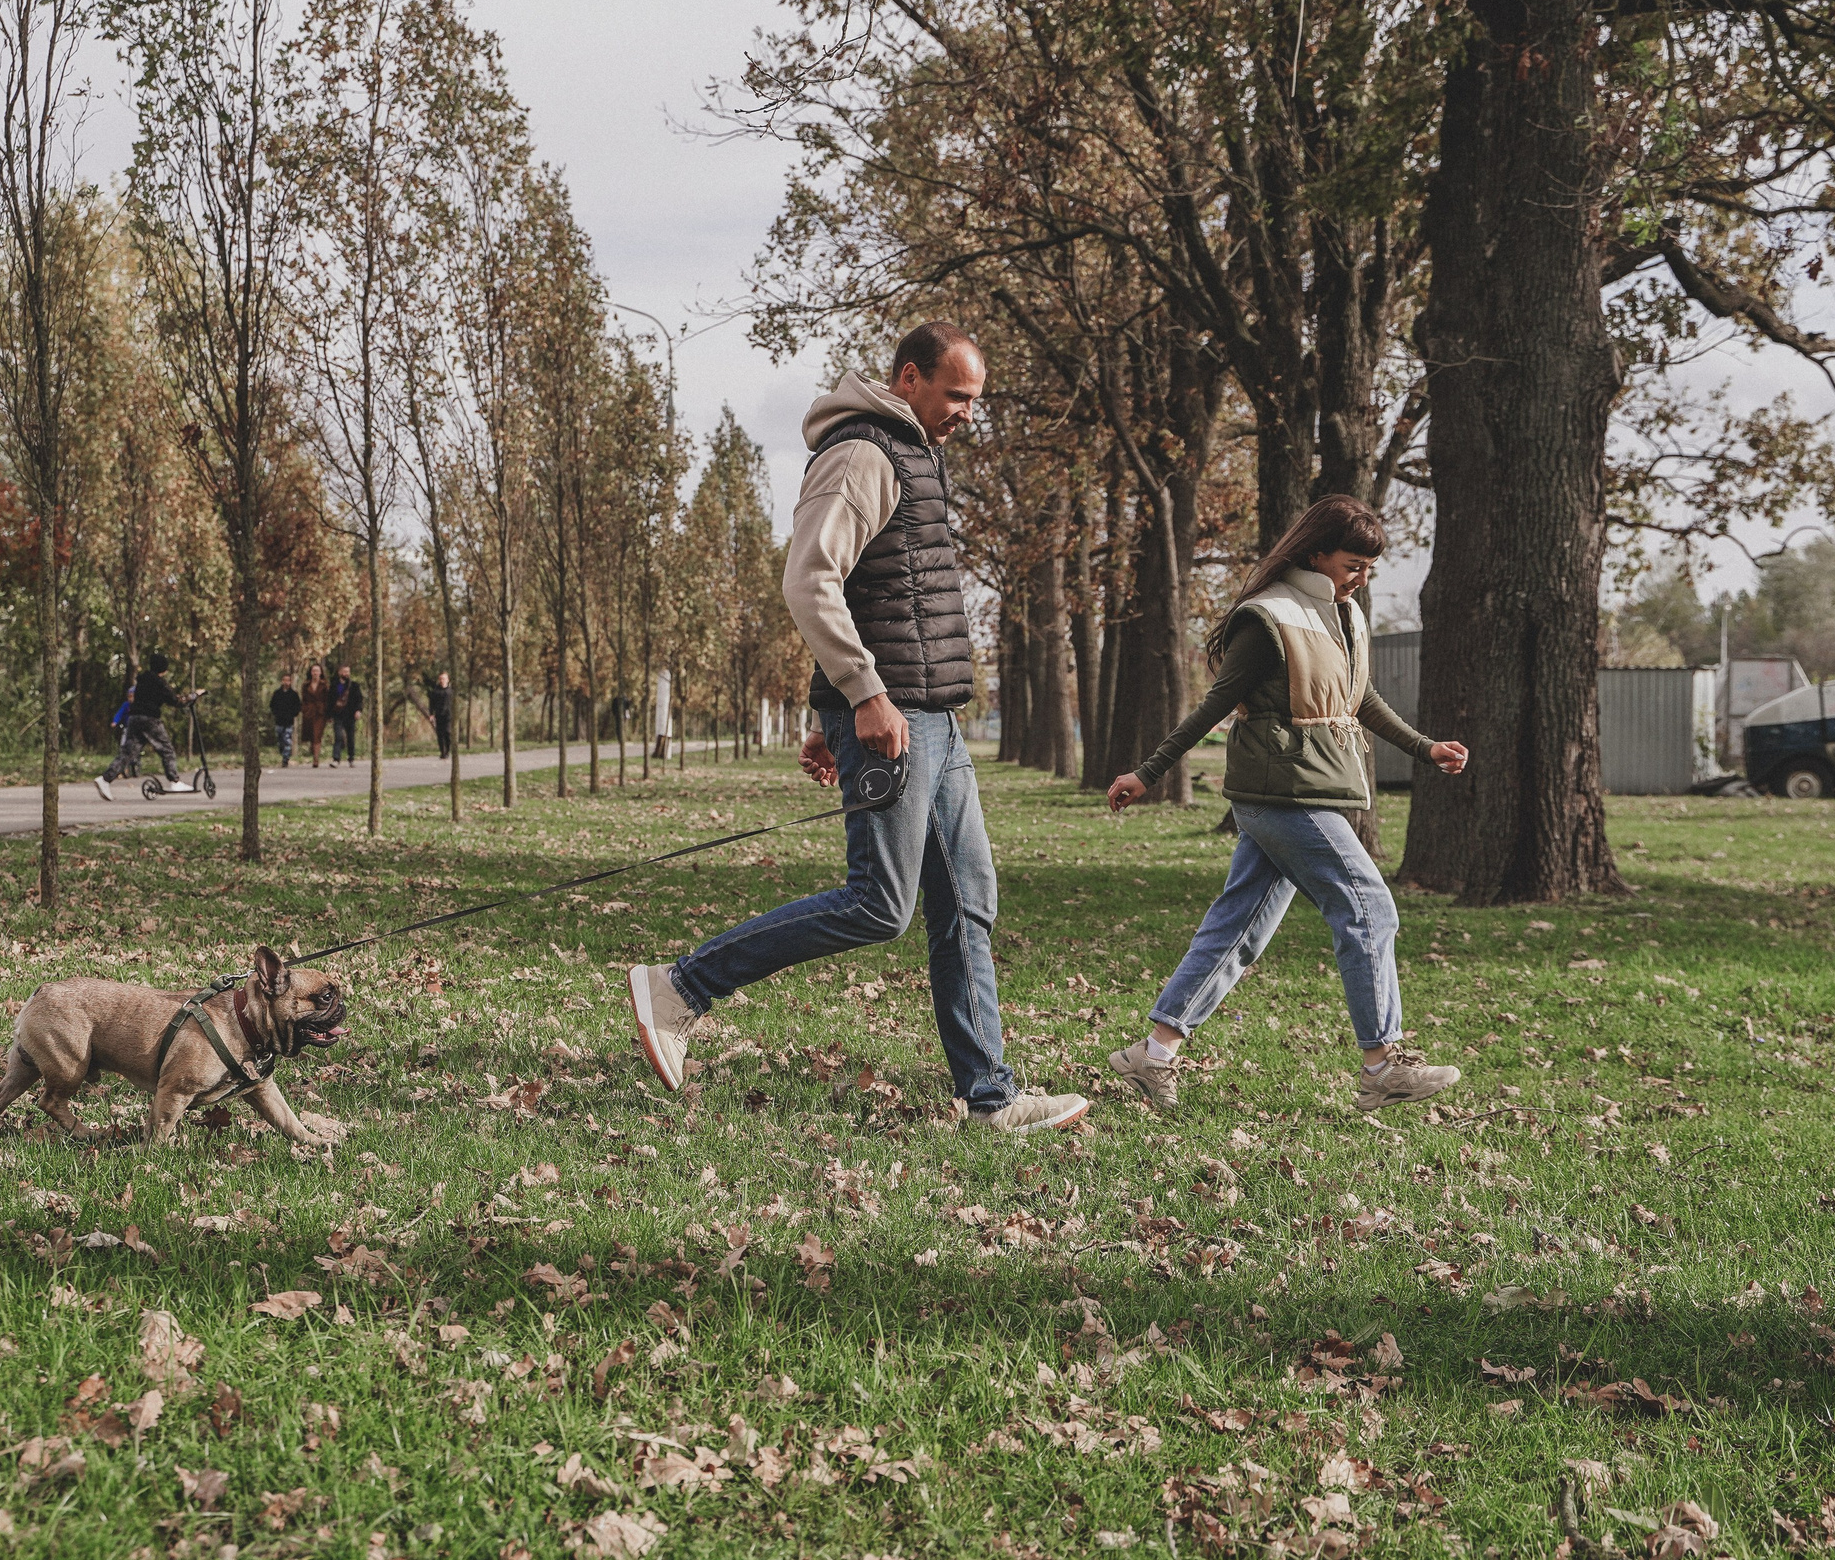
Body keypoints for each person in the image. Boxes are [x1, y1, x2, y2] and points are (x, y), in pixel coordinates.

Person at [625, 321, 1087, 1135]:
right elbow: (810, 579)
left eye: (977, 400)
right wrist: (859, 695)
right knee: (880, 905)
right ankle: (680, 987)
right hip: (896, 713)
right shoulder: (863, 453)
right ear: (909, 378)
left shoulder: (915, 453)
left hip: (930, 717)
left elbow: (881, 591)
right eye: (958, 396)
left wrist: (827, 710)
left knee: (966, 903)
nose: (969, 414)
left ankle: (989, 1097)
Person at [1102, 495, 1471, 1116]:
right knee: (1368, 908)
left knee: (1238, 928)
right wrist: (1148, 773)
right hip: (1284, 793)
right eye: (1352, 564)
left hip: (1309, 788)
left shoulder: (1342, 615)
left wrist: (1425, 747)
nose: (1362, 577)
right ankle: (1381, 1065)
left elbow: (1360, 697)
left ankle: (1155, 1054)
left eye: (1368, 566)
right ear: (1316, 552)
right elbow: (1213, 705)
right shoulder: (1267, 617)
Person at [96, 652, 198, 798]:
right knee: (167, 749)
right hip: (150, 720)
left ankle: (105, 779)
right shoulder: (159, 683)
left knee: (128, 752)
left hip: (134, 719)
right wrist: (194, 696)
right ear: (163, 668)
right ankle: (175, 781)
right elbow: (176, 701)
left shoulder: (141, 682)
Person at [331, 666, 362, 766]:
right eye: (344, 671)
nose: (346, 673)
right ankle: (336, 759)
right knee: (338, 736)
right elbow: (330, 700)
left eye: (348, 671)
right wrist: (329, 715)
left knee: (351, 737)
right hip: (338, 714)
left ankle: (351, 758)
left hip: (350, 715)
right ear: (339, 672)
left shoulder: (354, 685)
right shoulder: (334, 685)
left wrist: (358, 711)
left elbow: (359, 699)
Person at [270, 674, 302, 763]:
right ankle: (282, 752)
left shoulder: (294, 694)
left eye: (288, 680)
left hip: (289, 721)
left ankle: (286, 758)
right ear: (282, 681)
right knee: (280, 740)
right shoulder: (277, 693)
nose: (286, 682)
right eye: (284, 680)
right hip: (279, 720)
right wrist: (276, 713)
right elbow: (272, 705)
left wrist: (293, 714)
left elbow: (298, 706)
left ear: (290, 682)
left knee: (287, 739)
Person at [299, 664, 327, 767]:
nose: (315, 673)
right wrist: (304, 709)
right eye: (313, 671)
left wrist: (327, 713)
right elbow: (303, 699)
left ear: (320, 672)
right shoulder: (306, 685)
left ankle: (316, 759)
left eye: (317, 671)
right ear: (311, 672)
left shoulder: (325, 685)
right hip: (309, 712)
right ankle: (313, 753)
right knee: (310, 735)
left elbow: (327, 699)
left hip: (320, 713)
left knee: (317, 735)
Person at [428, 671, 454, 760]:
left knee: (448, 733)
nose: (442, 680)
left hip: (449, 716)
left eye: (444, 679)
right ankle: (442, 752)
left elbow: (454, 704)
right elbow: (431, 703)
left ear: (447, 680)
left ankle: (447, 750)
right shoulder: (435, 691)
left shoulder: (451, 692)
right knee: (440, 734)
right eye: (441, 679)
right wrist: (431, 714)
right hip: (439, 715)